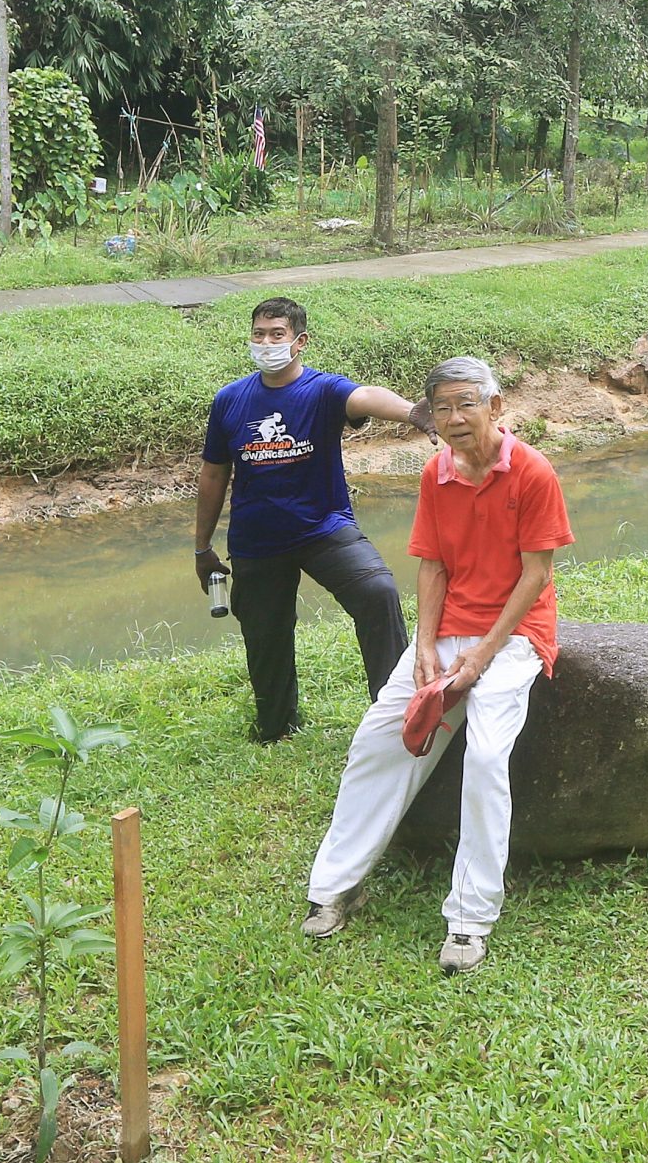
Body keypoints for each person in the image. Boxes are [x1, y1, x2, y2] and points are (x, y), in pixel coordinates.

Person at [301, 358, 573, 976]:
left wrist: (483, 653)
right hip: (449, 629)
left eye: (465, 405)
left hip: (515, 633)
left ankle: (470, 920)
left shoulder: (532, 471)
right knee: (378, 737)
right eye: (442, 407)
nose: (453, 419)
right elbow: (432, 566)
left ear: (496, 407)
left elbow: (537, 575)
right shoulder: (436, 473)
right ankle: (336, 883)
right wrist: (424, 645)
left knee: (483, 757)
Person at [196, 297, 435, 743]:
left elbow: (364, 397)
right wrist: (201, 545)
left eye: (277, 335)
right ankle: (277, 724)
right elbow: (213, 474)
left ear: (300, 342)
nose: (266, 343)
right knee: (265, 637)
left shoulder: (323, 391)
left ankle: (395, 715)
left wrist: (410, 411)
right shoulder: (229, 400)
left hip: (323, 529)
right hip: (256, 540)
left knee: (378, 593)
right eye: (259, 334)